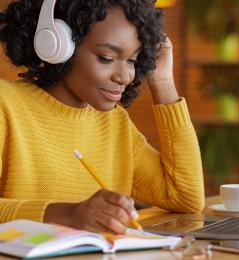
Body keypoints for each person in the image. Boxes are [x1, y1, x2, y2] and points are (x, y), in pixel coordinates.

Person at [0, 0, 204, 235]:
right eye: (107, 58)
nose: (125, 76)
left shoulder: (115, 123)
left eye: (133, 61)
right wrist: (67, 215)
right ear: (57, 45)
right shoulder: (6, 104)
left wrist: (163, 82)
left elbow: (185, 197)